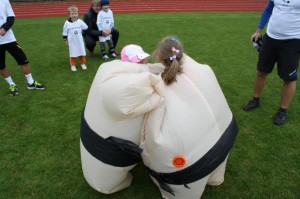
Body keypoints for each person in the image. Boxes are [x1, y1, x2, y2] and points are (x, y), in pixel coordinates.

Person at [140, 36, 238, 199]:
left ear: (159, 56)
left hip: (190, 164)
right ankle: (215, 177)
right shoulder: (204, 71)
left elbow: (152, 136)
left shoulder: (161, 89)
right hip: (225, 138)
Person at [80, 44, 164, 194]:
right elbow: (157, 97)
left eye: (143, 60)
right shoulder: (127, 85)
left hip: (98, 141)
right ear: (127, 62)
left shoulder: (108, 70)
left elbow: (149, 69)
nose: (144, 64)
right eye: (139, 61)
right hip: (107, 154)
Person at [242, 0, 300, 125]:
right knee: (261, 71)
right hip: (271, 38)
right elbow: (269, 9)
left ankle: (282, 111)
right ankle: (255, 100)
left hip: (292, 42)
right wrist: (258, 30)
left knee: (289, 79)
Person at [0, 0, 46, 96]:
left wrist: (4, 28)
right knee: (1, 65)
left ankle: (31, 83)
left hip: (9, 39)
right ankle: (12, 85)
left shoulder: (4, 1)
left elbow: (11, 17)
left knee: (23, 60)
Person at [63, 5, 88, 72]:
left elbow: (86, 27)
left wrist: (82, 32)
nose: (74, 15)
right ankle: (73, 64)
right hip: (72, 41)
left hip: (79, 40)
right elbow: (65, 32)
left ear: (78, 14)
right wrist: (65, 40)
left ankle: (82, 63)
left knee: (81, 51)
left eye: (75, 13)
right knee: (73, 52)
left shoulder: (80, 21)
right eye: (72, 14)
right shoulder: (67, 23)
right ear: (69, 15)